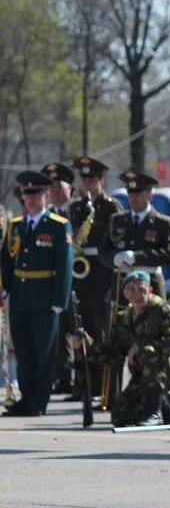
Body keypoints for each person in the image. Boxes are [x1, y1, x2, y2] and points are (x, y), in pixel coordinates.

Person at [1, 171, 72, 417]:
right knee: (23, 352)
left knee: (45, 353)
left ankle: (39, 401)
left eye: (36, 193)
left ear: (47, 195)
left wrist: (58, 301)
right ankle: (26, 397)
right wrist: (5, 288)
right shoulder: (15, 226)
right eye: (27, 193)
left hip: (45, 300)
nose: (31, 198)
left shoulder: (57, 226)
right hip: (20, 299)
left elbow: (64, 266)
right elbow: (7, 262)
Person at [78, 270, 170, 427]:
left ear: (150, 290)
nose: (137, 294)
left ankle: (154, 412)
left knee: (148, 352)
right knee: (120, 417)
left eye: (142, 290)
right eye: (132, 290)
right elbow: (114, 355)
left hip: (169, 370)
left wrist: (139, 347)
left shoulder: (163, 311)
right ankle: (162, 401)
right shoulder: (124, 318)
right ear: (125, 293)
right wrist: (88, 344)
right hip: (143, 373)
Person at [68, 156, 120, 401]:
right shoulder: (76, 206)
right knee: (81, 331)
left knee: (100, 333)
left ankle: (102, 385)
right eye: (84, 178)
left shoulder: (111, 207)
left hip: (100, 274)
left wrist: (113, 284)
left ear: (101, 180)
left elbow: (115, 247)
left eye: (92, 178)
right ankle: (83, 384)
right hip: (81, 275)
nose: (87, 182)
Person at [100, 170, 170, 299]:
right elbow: (103, 250)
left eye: (138, 194)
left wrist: (137, 257)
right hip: (122, 285)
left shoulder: (163, 223)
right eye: (130, 194)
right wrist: (113, 257)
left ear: (149, 195)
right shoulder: (116, 220)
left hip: (150, 285)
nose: (133, 198)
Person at [42, 162, 76, 396]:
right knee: (58, 331)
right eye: (50, 186)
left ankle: (81, 378)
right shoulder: (47, 216)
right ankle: (61, 377)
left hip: (81, 282)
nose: (54, 190)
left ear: (70, 189)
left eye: (59, 186)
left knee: (77, 331)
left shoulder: (81, 210)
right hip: (53, 282)